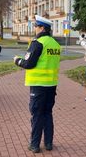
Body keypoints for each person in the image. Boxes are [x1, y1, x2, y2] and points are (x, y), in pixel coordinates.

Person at [13, 15, 61, 153]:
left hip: (38, 85)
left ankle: (34, 145)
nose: (34, 29)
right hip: (51, 84)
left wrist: (17, 60)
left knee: (37, 115)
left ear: (42, 28)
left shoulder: (38, 42)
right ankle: (49, 143)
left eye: (36, 26)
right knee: (47, 113)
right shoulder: (55, 44)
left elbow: (28, 63)